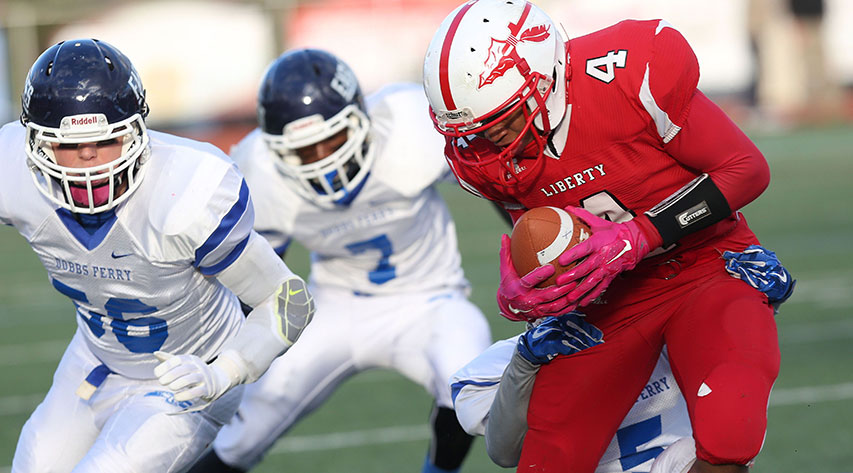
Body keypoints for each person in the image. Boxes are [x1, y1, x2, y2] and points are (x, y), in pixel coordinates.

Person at [423, 1, 783, 471]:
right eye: (475, 134)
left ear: (546, 81)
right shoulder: (492, 158)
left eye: (502, 123)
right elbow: (546, 234)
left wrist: (640, 234)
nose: (489, 148)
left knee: (728, 436)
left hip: (705, 267)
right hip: (611, 298)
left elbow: (747, 169)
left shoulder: (628, 74)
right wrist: (533, 288)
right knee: (547, 460)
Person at [0, 39, 315, 472]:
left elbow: (288, 300)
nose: (89, 160)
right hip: (95, 360)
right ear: (36, 145)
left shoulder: (185, 190)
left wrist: (224, 372)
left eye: (107, 139)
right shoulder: (12, 170)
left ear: (136, 131)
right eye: (69, 146)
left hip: (190, 376)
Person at [189, 49, 492, 473]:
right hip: (330, 309)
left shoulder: (409, 126)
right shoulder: (260, 171)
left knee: (471, 383)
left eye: (330, 140)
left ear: (360, 118)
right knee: (244, 433)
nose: (322, 160)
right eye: (304, 151)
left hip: (431, 300)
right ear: (277, 151)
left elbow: (499, 180)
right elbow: (255, 272)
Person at [450, 245, 794, 473]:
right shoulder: (507, 361)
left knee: (723, 449)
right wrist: (525, 363)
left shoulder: (667, 321)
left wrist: (756, 302)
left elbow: (737, 372)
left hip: (682, 465)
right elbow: (505, 451)